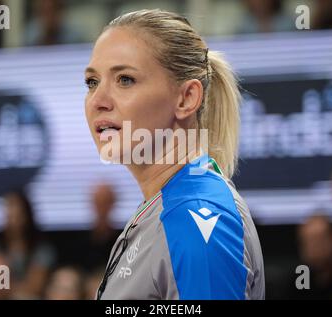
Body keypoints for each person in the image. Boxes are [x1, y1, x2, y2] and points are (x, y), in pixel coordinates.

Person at [83, 9, 264, 300]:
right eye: (92, 82)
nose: (98, 101)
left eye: (125, 79)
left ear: (186, 98)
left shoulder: (196, 217)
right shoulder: (166, 207)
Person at [0, 190, 56, 299]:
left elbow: (34, 287)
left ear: (26, 215)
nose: (11, 218)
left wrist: (8, 288)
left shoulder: (41, 249)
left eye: (16, 213)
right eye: (8, 212)